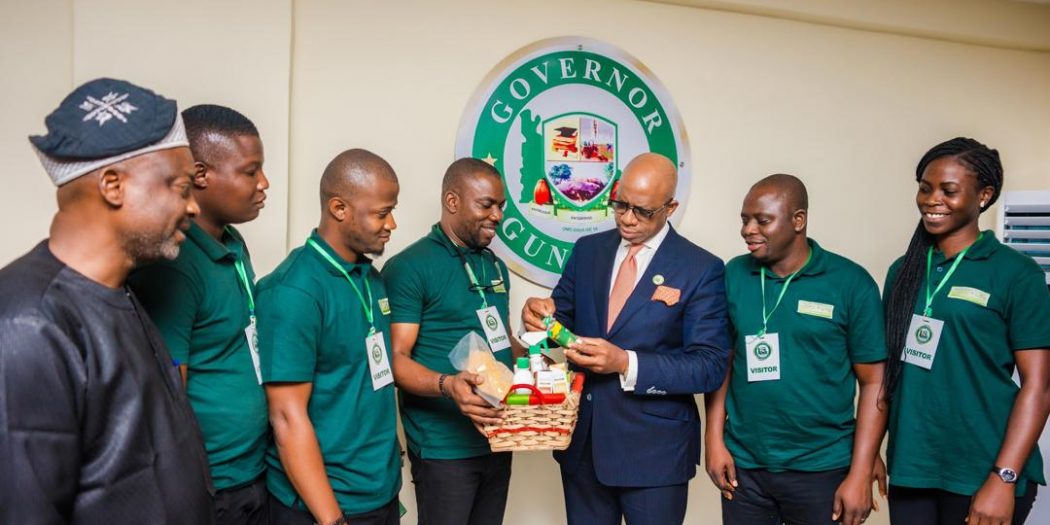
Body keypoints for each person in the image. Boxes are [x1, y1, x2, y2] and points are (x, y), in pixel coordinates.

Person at [0, 78, 214, 523]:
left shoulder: (119, 290)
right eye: (180, 187)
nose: (193, 207)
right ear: (113, 186)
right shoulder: (28, 323)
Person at [522, 152, 730, 525]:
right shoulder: (588, 250)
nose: (627, 218)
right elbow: (560, 319)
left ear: (670, 208)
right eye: (620, 204)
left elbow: (709, 366)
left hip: (655, 456)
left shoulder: (701, 268)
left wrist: (625, 363)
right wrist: (540, 316)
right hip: (583, 449)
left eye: (642, 211)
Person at [881, 137, 1050, 525]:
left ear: (984, 196)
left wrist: (1004, 477)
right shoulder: (903, 271)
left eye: (948, 190)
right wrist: (869, 455)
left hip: (983, 469)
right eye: (925, 188)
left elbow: (1038, 387)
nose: (932, 200)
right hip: (912, 468)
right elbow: (885, 376)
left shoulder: (1016, 273)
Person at [704, 174, 887, 525]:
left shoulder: (850, 283)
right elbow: (722, 362)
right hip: (745, 466)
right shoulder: (734, 275)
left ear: (798, 220)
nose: (748, 230)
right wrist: (713, 440)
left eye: (763, 220)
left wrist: (861, 471)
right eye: (745, 219)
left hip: (823, 466)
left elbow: (874, 383)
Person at [129, 104, 271, 524]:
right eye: (250, 171)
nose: (264, 183)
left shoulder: (233, 242)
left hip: (253, 470)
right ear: (200, 174)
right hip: (209, 485)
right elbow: (168, 392)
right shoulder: (173, 264)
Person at [259, 148, 402, 525]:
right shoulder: (294, 291)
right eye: (382, 213)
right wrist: (332, 519)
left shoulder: (370, 278)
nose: (392, 224)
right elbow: (286, 417)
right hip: (325, 506)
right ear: (339, 208)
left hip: (380, 492)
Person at [382, 157, 521, 525]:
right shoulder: (410, 267)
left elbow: (503, 341)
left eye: (501, 206)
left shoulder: (494, 266)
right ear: (452, 201)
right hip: (444, 449)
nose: (497, 216)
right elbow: (394, 359)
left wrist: (542, 352)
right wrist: (447, 385)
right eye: (486, 205)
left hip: (499, 437)